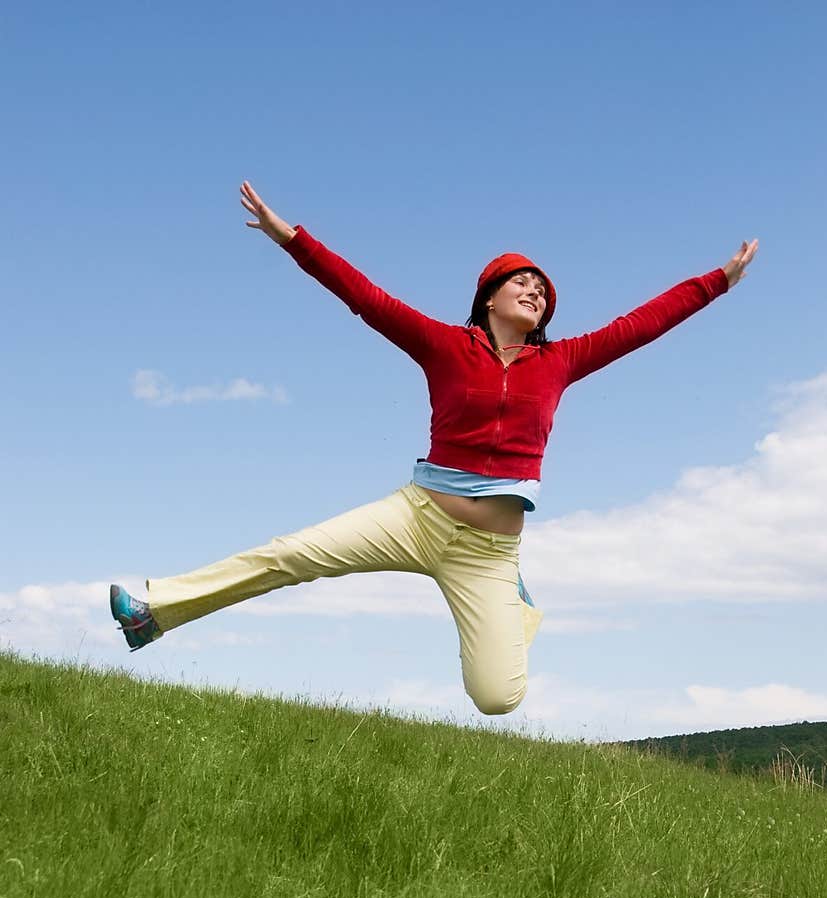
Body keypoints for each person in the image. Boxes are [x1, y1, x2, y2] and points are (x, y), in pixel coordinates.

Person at [110, 180, 758, 715]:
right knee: (291, 555)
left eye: (543, 291)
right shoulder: (445, 346)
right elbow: (365, 298)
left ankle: (516, 610)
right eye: (522, 283)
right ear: (489, 296)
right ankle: (153, 611)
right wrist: (293, 240)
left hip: (488, 553)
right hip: (416, 515)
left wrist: (717, 282)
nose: (535, 292)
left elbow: (640, 325)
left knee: (497, 698)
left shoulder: (560, 361)